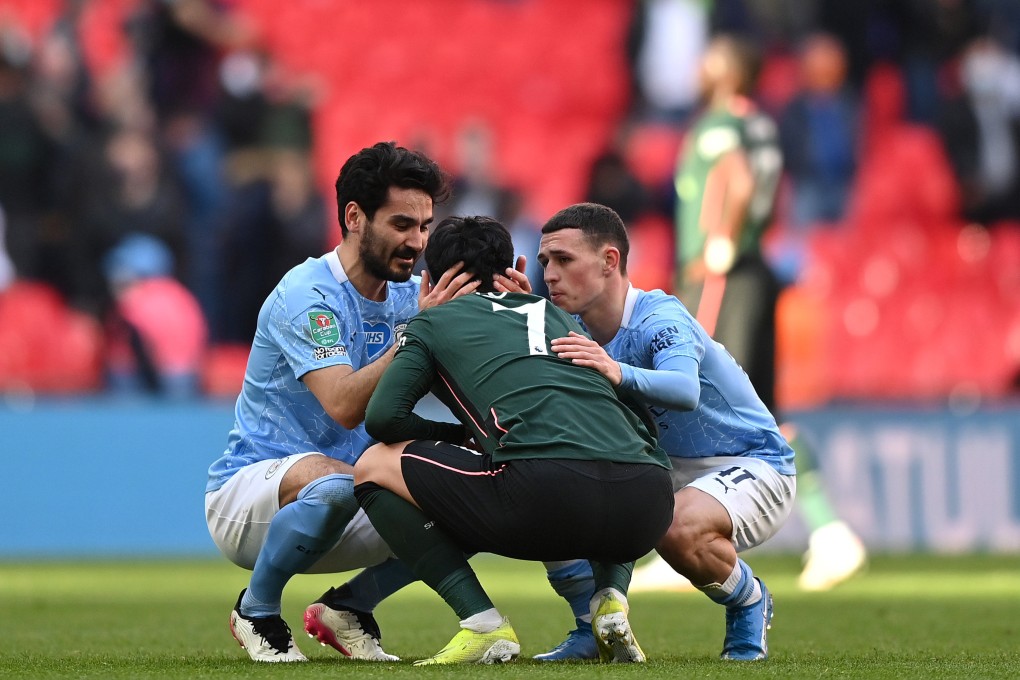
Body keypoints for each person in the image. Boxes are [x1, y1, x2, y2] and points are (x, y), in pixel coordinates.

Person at [353, 215, 675, 665]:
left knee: (372, 465)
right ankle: (611, 601)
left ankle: (482, 623)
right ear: (517, 265)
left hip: (542, 497)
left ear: (429, 278)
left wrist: (462, 436)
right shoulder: (560, 315)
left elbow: (384, 419)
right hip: (649, 504)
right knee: (616, 450)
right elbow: (639, 420)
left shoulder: (433, 321)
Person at [204, 141, 481, 663]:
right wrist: (419, 334)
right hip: (253, 497)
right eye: (402, 224)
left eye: (424, 227)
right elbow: (344, 405)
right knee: (335, 484)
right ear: (354, 217)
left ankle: (350, 607)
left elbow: (458, 383)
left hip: (354, 494)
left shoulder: (408, 296)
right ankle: (256, 610)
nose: (417, 242)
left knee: (481, 500)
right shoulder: (307, 295)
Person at [532, 202, 795, 662]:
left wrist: (617, 370)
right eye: (545, 263)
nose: (550, 274)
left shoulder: (658, 317)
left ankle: (748, 600)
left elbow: (684, 389)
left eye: (564, 260)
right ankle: (590, 626)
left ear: (610, 261)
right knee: (546, 495)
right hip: (662, 473)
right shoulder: (570, 327)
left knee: (673, 526)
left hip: (751, 463)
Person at [664, 34, 865, 595]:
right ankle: (829, 534)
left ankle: (688, 534)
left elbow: (735, 177)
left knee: (692, 395)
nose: (699, 68)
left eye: (708, 60)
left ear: (727, 70)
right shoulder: (762, 124)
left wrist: (721, 242)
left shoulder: (720, 126)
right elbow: (763, 188)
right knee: (762, 412)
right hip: (757, 270)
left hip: (721, 273)